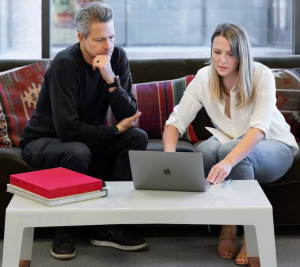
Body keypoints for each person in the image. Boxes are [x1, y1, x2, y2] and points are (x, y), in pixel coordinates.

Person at [20, 2, 148, 260]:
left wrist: (111, 81)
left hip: (85, 139)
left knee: (137, 137)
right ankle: (65, 228)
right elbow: (67, 131)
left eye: (111, 37)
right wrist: (113, 132)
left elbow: (129, 115)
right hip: (44, 141)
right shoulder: (65, 65)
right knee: (76, 151)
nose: (108, 46)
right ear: (81, 37)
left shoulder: (117, 58)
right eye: (100, 39)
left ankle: (108, 226)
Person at [163, 23, 298, 266]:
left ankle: (248, 230)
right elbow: (175, 123)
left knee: (228, 151)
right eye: (217, 52)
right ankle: (228, 220)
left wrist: (228, 161)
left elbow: (258, 129)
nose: (222, 60)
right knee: (203, 150)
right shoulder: (204, 77)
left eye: (230, 53)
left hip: (275, 144)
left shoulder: (261, 75)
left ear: (241, 54)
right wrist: (169, 160)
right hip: (230, 139)